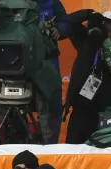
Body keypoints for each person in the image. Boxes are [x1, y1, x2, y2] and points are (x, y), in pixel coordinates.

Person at [63, 10, 111, 144]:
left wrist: (106, 42)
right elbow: (68, 21)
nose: (108, 33)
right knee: (74, 147)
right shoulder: (88, 40)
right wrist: (88, 14)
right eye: (105, 29)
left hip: (108, 112)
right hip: (82, 108)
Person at [35, 0, 71, 144]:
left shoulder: (52, 3)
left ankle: (49, 146)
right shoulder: (15, 3)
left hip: (48, 61)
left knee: (51, 106)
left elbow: (66, 23)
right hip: (20, 62)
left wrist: (58, 29)